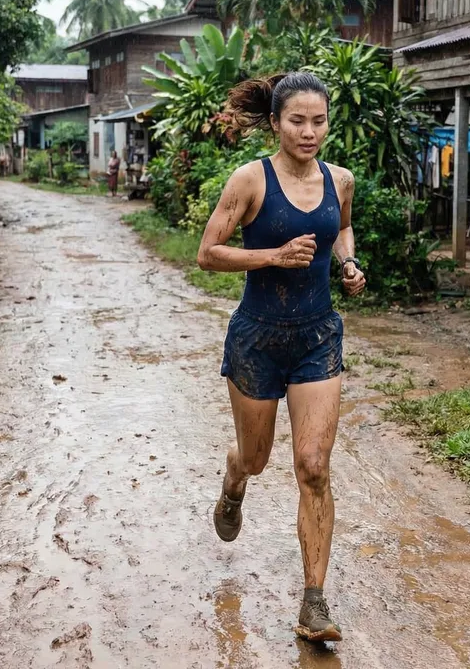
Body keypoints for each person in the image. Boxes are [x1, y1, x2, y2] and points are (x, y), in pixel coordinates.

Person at [197, 72, 366, 643]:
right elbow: (208, 253)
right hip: (257, 339)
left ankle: (314, 601)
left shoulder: (340, 180)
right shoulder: (249, 180)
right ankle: (234, 479)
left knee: (314, 467)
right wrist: (272, 255)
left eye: (318, 121)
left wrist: (347, 264)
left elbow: (342, 229)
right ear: (275, 122)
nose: (310, 131)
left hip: (318, 336)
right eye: (297, 120)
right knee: (257, 456)